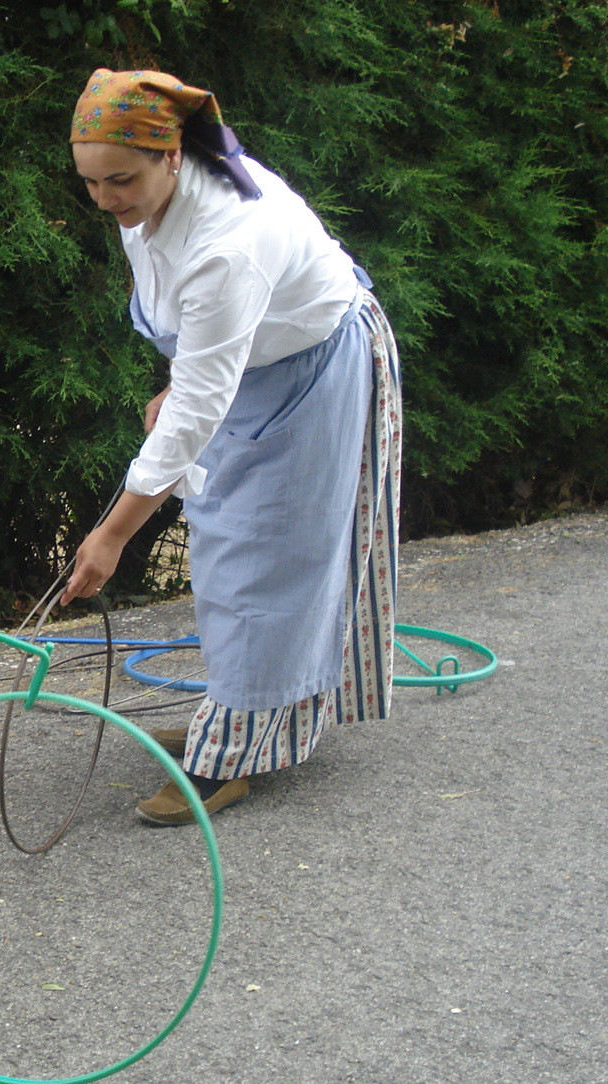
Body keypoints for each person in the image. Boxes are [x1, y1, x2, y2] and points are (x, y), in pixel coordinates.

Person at [61, 68, 402, 827]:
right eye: (91, 183)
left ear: (172, 156)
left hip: (314, 371)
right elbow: (197, 337)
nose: (107, 198)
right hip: (256, 366)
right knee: (226, 547)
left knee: (266, 558)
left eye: (121, 180)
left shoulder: (228, 241)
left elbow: (196, 398)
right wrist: (186, 379)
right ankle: (247, 718)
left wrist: (113, 535)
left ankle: (233, 755)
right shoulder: (144, 201)